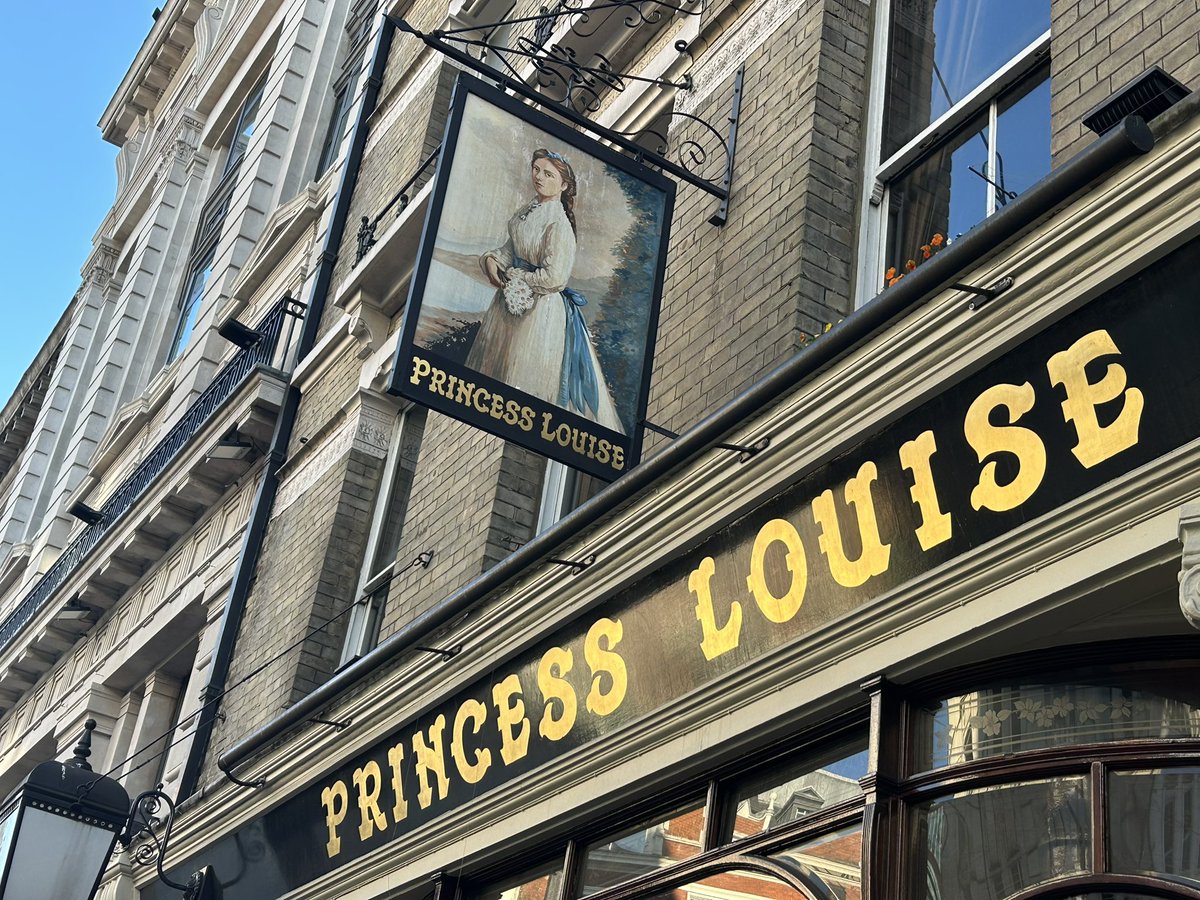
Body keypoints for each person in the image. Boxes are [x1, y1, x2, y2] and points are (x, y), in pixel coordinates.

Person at [465, 148, 624, 434]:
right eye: (536, 169)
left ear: (563, 185)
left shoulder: (558, 223)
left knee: (524, 376)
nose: (539, 177)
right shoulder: (528, 211)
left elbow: (555, 277)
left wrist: (519, 277)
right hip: (509, 303)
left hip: (540, 311)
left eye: (548, 174)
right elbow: (512, 249)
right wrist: (492, 260)